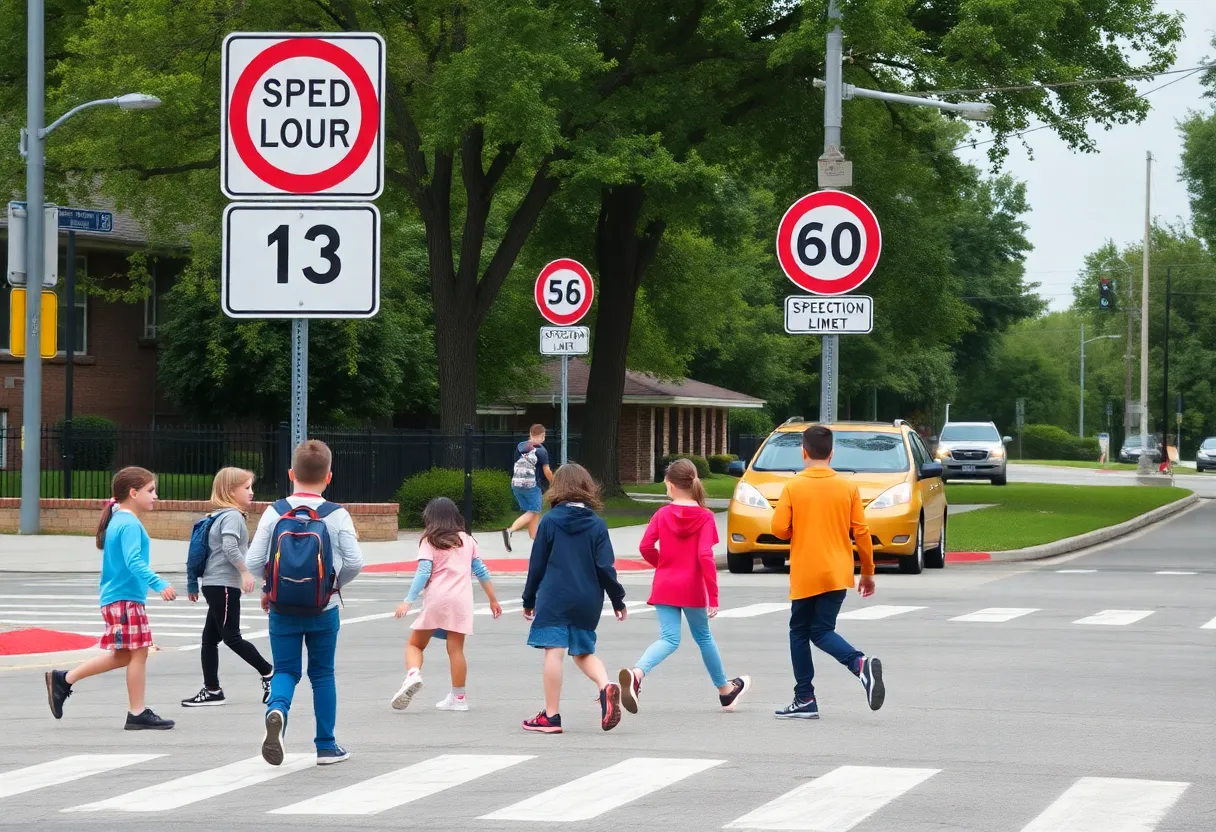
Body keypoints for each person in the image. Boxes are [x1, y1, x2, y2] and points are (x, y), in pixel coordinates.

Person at [246, 440, 364, 766]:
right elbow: (355, 562)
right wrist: (330, 586)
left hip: (282, 607)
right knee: (322, 675)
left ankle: (277, 711)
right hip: (323, 608)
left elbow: (254, 560)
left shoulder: (274, 511)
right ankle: (326, 745)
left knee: (285, 669)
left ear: (290, 474)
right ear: (329, 477)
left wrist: (270, 587)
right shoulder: (336, 515)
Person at [45, 466, 177, 730]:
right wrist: (158, 583)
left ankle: (64, 679)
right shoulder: (128, 522)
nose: (155, 496)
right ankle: (136, 712)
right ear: (133, 492)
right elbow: (133, 560)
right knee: (138, 653)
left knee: (125, 655)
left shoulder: (120, 519)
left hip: (120, 598)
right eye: (150, 490)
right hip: (125, 599)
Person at [769, 425, 885, 719]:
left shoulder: (793, 486)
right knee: (821, 630)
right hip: (837, 571)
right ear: (832, 453)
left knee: (799, 632)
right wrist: (868, 572)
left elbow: (779, 529)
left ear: (803, 452)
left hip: (807, 572)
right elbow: (861, 531)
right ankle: (859, 667)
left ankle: (806, 697)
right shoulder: (848, 487)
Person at [619, 459, 750, 714]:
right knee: (703, 637)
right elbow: (704, 556)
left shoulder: (662, 514)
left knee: (668, 638)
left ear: (669, 485)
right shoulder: (705, 517)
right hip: (691, 586)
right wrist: (713, 595)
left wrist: (664, 565)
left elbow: (645, 547)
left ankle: (637, 673)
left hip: (665, 584)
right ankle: (724, 691)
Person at [520, 463, 628, 734]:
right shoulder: (596, 525)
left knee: (554, 652)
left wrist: (528, 599)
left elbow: (538, 565)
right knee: (583, 652)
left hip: (555, 596)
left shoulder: (549, 521)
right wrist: (618, 600)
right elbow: (605, 567)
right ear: (587, 488)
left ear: (558, 488)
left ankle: (551, 717)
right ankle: (605, 686)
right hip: (587, 599)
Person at [391, 497, 503, 712]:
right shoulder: (467, 540)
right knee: (456, 650)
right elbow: (481, 570)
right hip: (461, 601)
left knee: (415, 644)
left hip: (437, 599)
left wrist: (408, 601)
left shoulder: (429, 541)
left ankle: (413, 674)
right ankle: (459, 698)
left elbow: (423, 572)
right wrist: (493, 599)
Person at [182, 467, 274, 708]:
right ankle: (268, 673)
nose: (251, 492)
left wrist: (193, 582)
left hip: (216, 584)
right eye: (247, 488)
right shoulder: (232, 516)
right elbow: (230, 547)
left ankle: (213, 689)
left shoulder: (216, 516)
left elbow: (197, 552)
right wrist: (245, 572)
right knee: (229, 637)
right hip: (222, 584)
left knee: (211, 640)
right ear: (230, 491)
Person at [502, 424, 554, 551]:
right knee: (533, 511)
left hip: (516, 484)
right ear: (543, 436)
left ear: (530, 434)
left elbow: (515, 463)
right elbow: (546, 471)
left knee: (534, 510)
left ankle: (535, 538)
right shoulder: (542, 451)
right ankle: (510, 531)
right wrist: (555, 482)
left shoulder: (520, 446)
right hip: (531, 485)